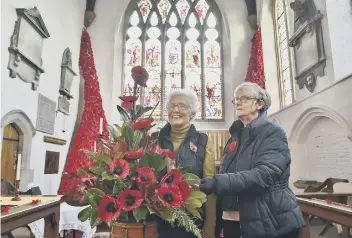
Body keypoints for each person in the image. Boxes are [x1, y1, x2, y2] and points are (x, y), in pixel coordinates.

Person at [197, 82, 305, 238]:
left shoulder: (273, 133)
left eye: (244, 98)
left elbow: (264, 175)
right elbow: (229, 173)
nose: (238, 102)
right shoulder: (236, 136)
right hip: (233, 221)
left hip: (270, 221)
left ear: (259, 104)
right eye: (236, 99)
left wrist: (216, 182)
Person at [157, 89, 216, 238]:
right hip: (158, 218)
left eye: (182, 106)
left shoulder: (203, 141)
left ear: (192, 113)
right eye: (171, 106)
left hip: (192, 219)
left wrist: (209, 227)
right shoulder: (154, 139)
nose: (175, 110)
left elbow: (210, 186)